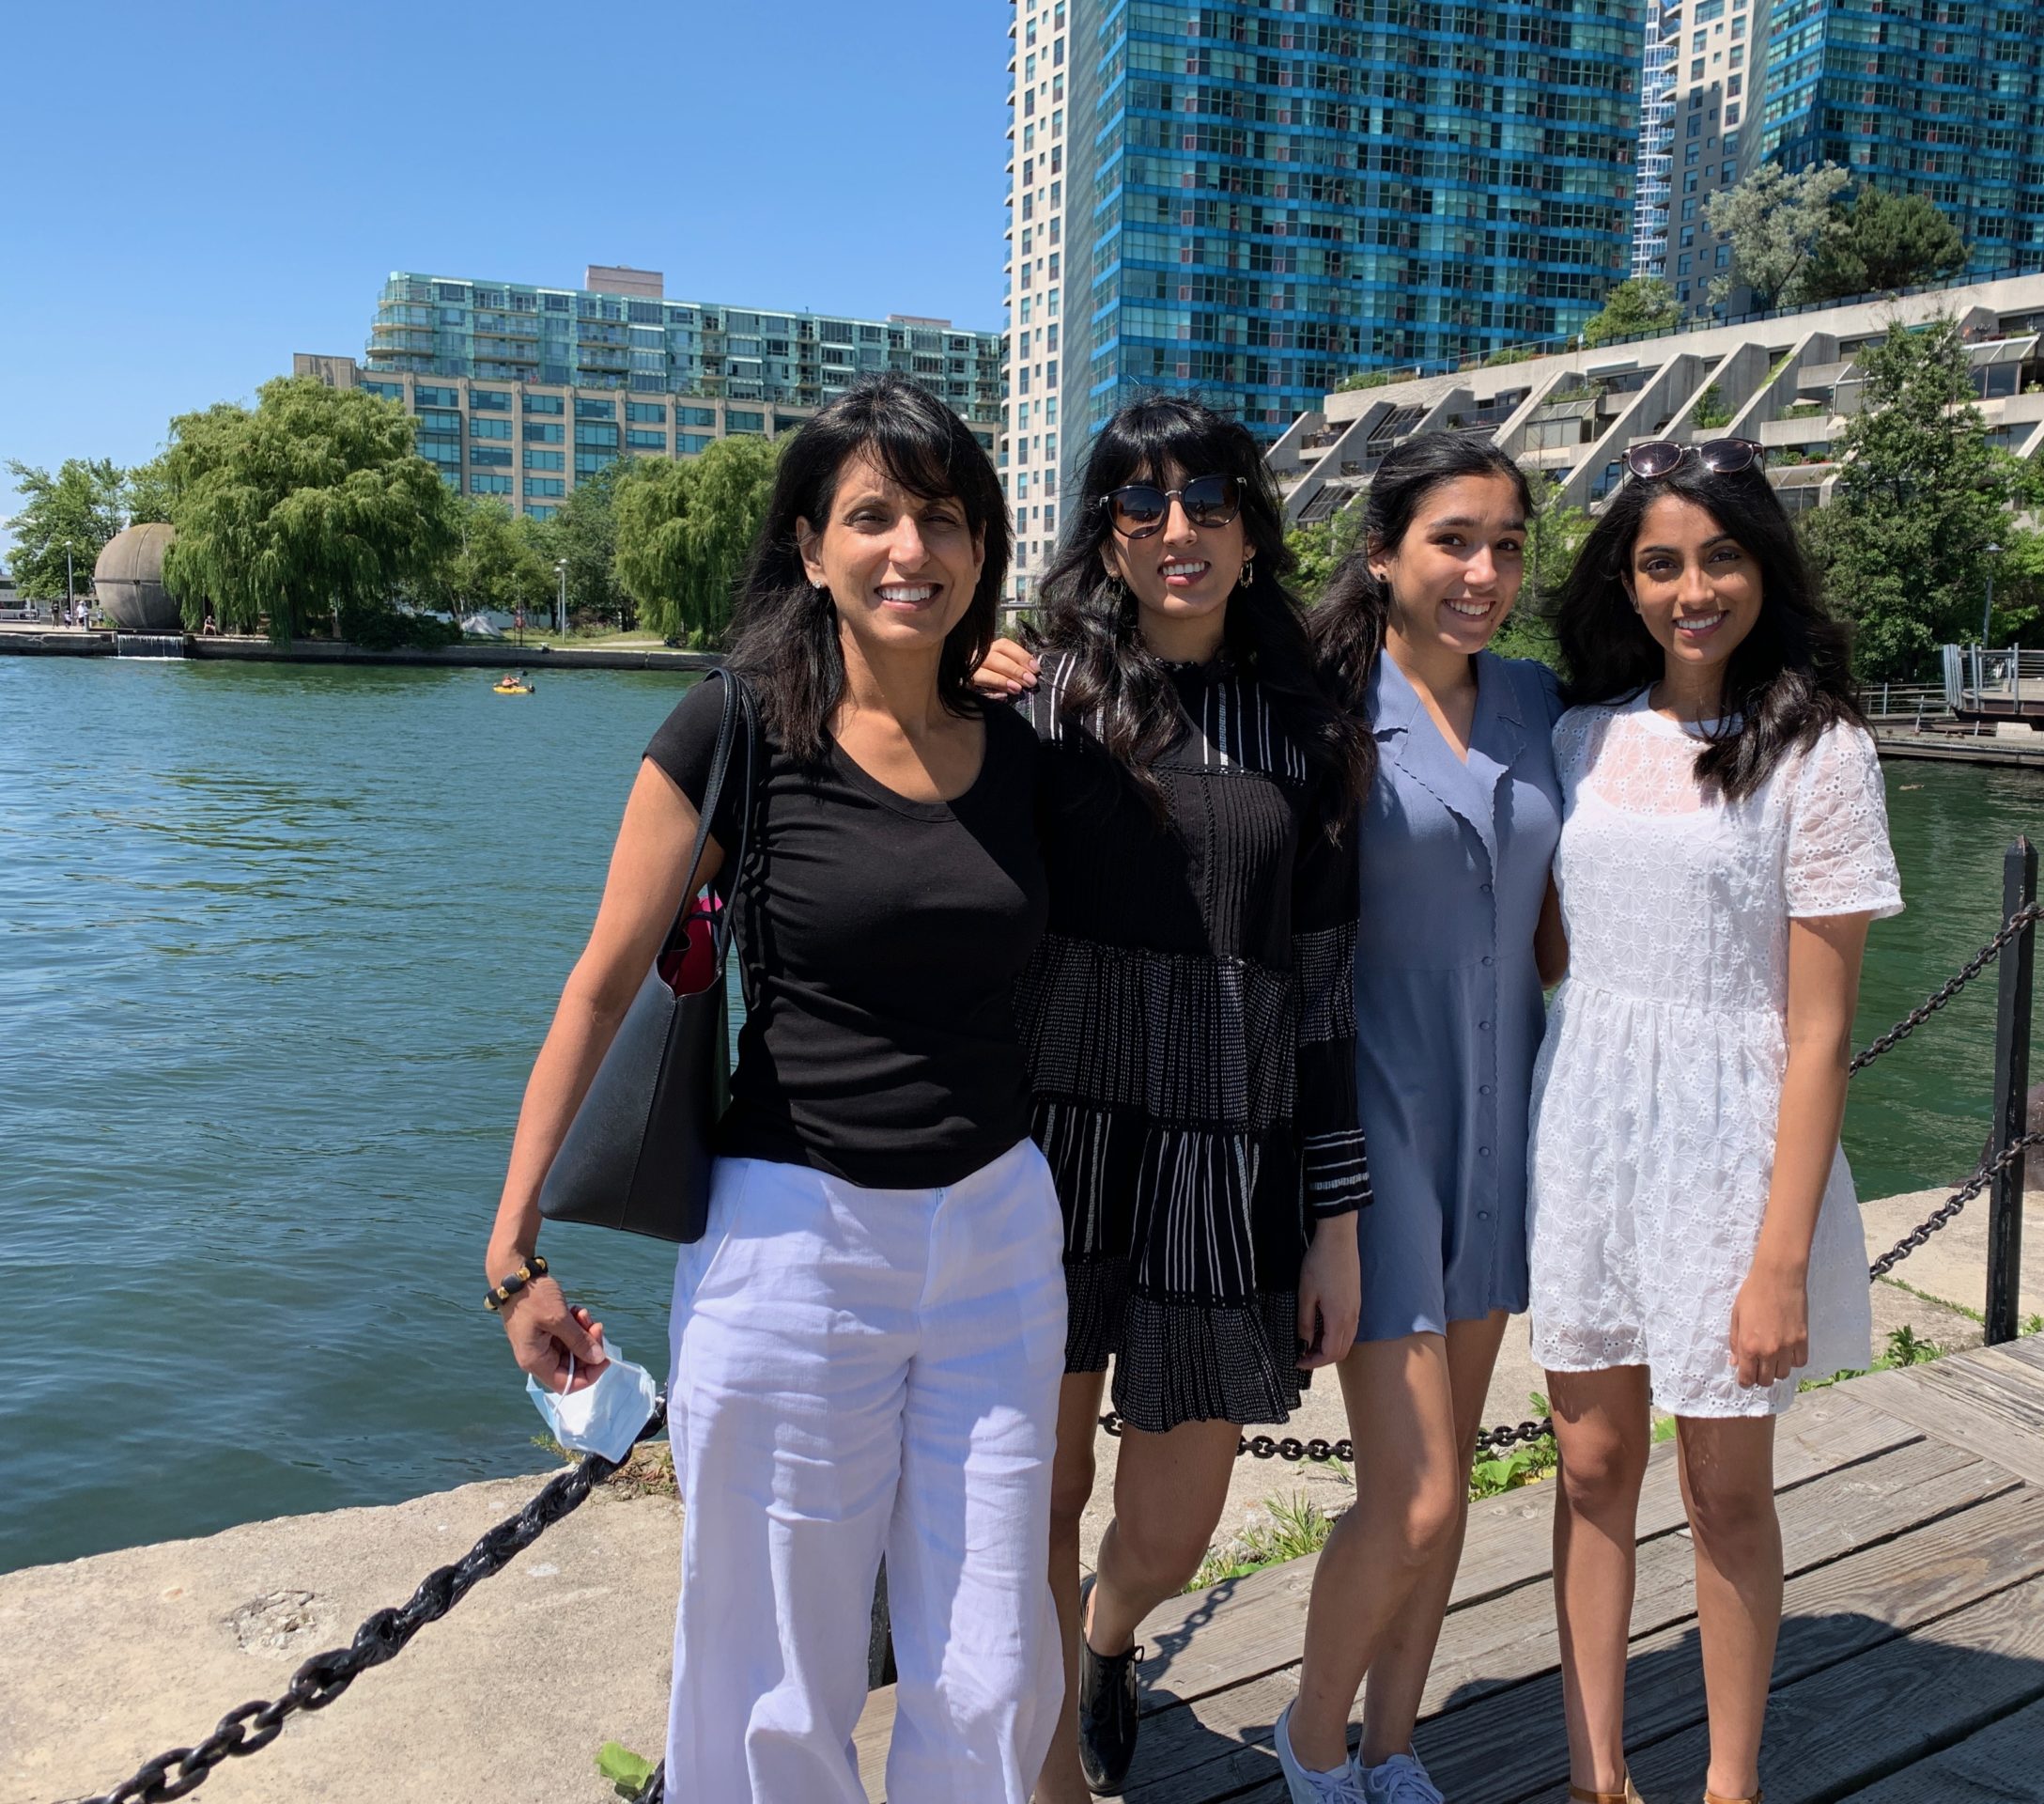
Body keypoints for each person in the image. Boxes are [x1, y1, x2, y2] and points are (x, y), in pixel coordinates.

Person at [483, 375, 1066, 1803]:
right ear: (811, 548)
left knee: (995, 1664)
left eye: (941, 518)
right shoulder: (734, 727)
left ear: (981, 547)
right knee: (770, 1677)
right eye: (870, 517)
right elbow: (602, 983)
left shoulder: (1027, 746)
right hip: (796, 1243)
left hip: (997, 1233)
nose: (907, 551)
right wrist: (515, 1257)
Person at [979, 396, 1375, 1802]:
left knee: (1169, 1521)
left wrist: (1335, 1223)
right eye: (1140, 503)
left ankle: (1108, 1636)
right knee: (1039, 1485)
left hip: (1229, 1145)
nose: (1178, 527)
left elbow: (1325, 994)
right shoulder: (1035, 702)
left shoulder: (1309, 731)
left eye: (1210, 499)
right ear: (1108, 535)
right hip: (1054, 1139)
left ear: (1255, 535)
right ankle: (1047, 1775)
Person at [1530, 437, 1901, 1804]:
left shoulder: (1822, 749)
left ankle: (1728, 1786)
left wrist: (1781, 1255)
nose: (1695, 589)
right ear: (1625, 583)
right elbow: (1556, 953)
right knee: (1590, 1466)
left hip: (1731, 1148)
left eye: (1722, 556)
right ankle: (1594, 1775)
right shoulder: (1580, 734)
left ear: (1765, 566)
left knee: (1725, 1488)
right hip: (1585, 1131)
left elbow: (1819, 1030)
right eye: (1663, 563)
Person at [1276, 432, 1565, 1803]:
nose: (1486, 571)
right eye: (1456, 539)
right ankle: (1313, 1739)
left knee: (1449, 1479)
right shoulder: (1318, 713)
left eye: (1509, 544)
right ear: (1384, 554)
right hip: (1374, 1121)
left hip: (1505, 1118)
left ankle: (1397, 1744)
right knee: (1420, 1487)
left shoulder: (1539, 701)